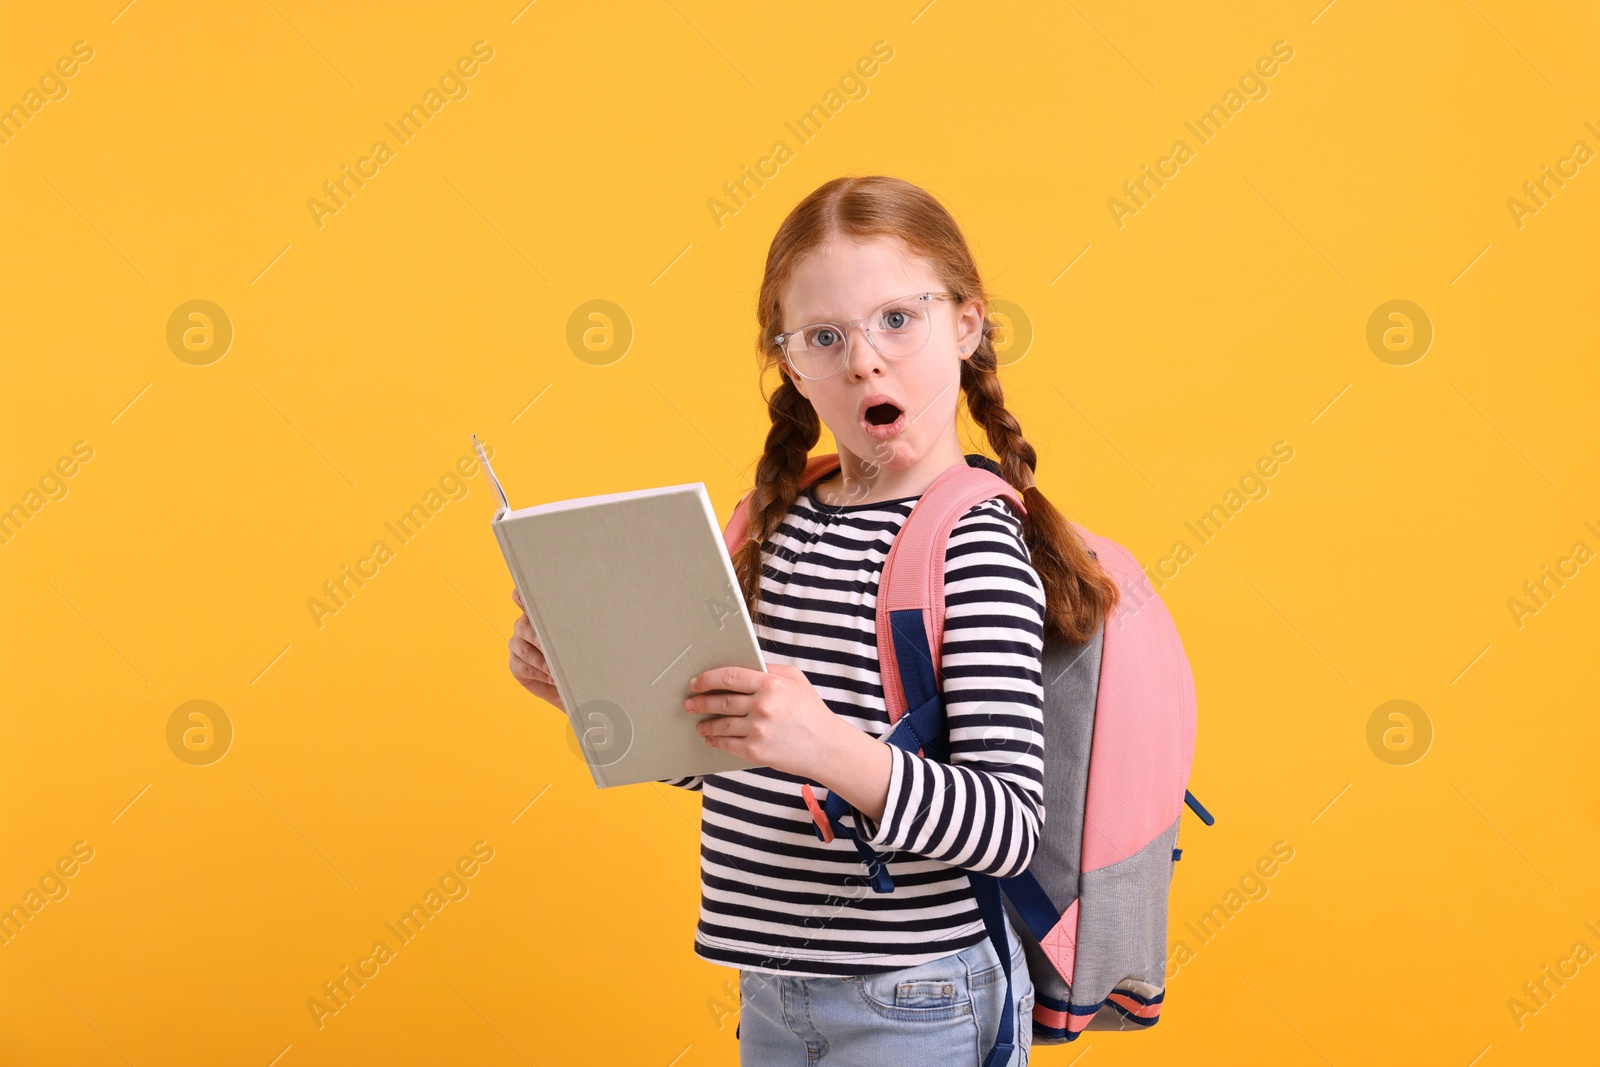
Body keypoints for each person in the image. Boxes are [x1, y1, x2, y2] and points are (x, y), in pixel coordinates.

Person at [508, 175, 1117, 1065]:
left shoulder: (973, 543)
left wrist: (824, 745)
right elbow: (742, 769)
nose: (864, 359)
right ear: (791, 363)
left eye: (897, 320)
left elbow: (1007, 826)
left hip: (916, 997)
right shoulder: (773, 521)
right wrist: (595, 691)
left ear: (968, 325)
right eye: (825, 337)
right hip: (774, 987)